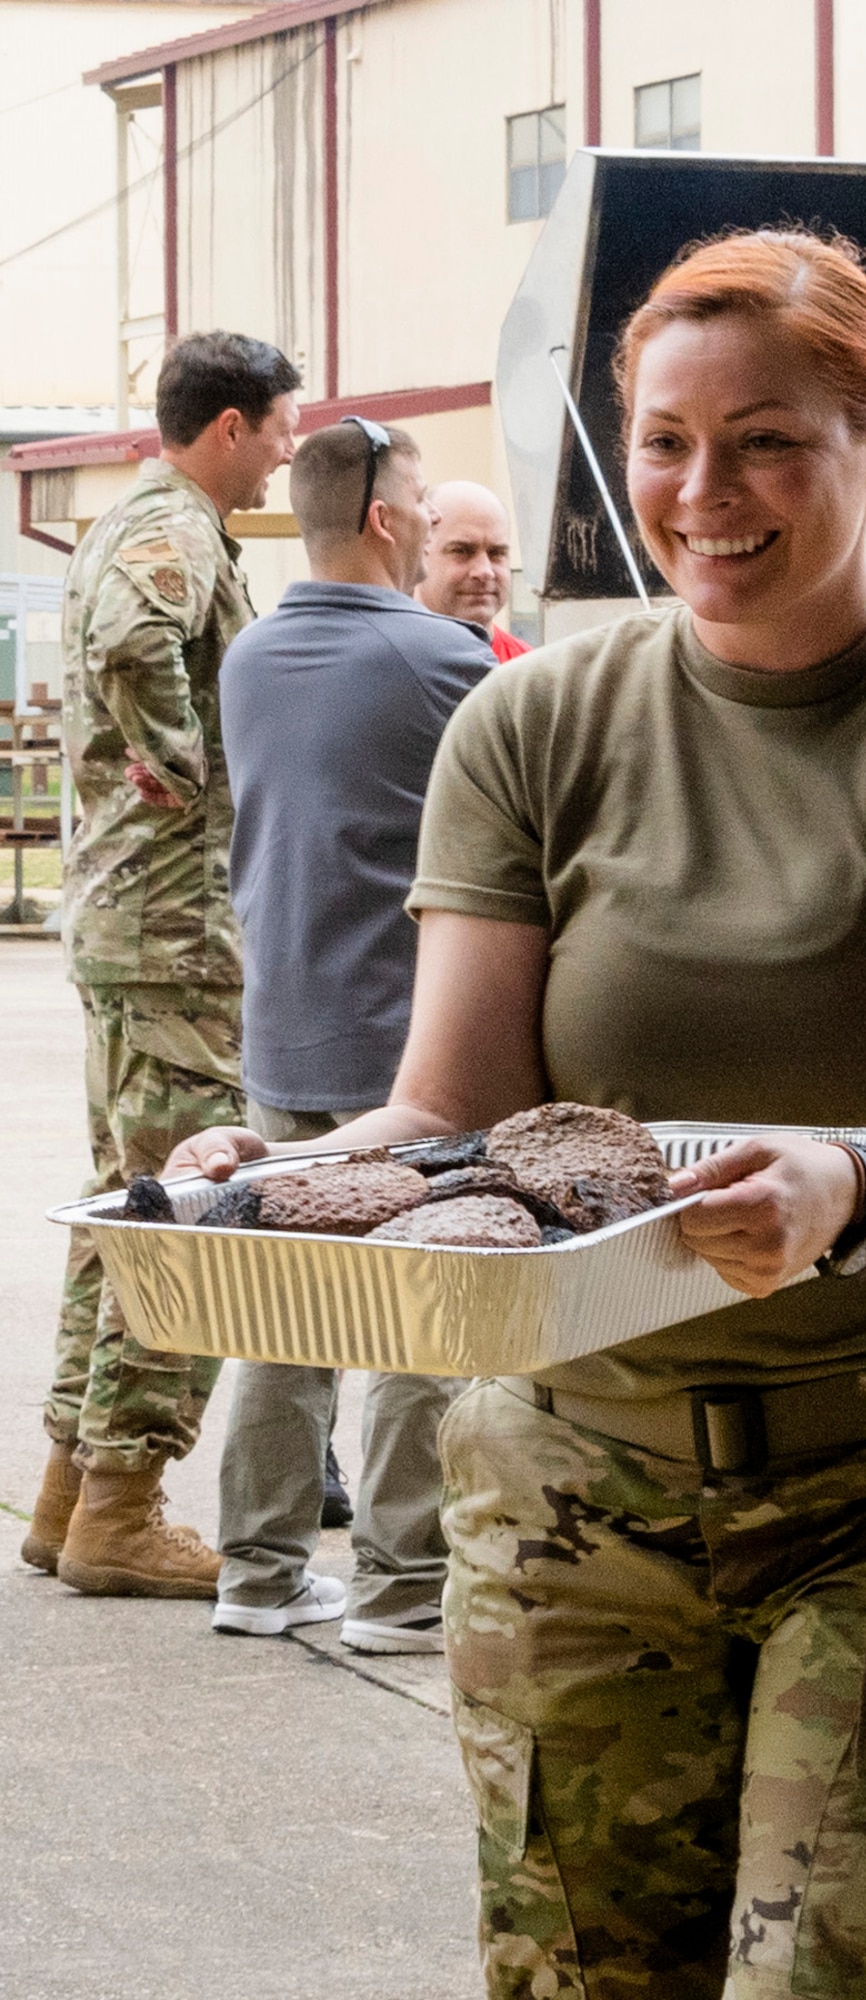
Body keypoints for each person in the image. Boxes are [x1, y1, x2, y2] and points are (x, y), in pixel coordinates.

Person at [170, 228, 866, 1999]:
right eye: (666, 441)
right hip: (575, 1502)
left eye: (767, 437)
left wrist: (837, 1187)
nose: (705, 492)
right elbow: (451, 1110)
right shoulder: (533, 723)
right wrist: (277, 1177)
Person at [22, 331, 300, 1599]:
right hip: (176, 931)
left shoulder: (142, 518)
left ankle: (75, 1489)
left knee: (123, 1202)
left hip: (136, 928)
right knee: (186, 1209)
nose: (290, 449)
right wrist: (184, 772)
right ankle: (126, 1504)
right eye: (282, 426)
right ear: (231, 426)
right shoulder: (174, 530)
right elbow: (141, 641)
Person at [210, 419, 494, 1649]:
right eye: (427, 506)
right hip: (406, 1054)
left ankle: (259, 1574)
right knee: (418, 1316)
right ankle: (399, 1586)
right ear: (385, 519)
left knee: (284, 1317)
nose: (437, 528)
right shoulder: (448, 662)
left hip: (280, 1034)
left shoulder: (248, 656)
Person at [415, 479, 531, 658]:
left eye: (497, 553)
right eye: (462, 551)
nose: (485, 571)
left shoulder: (527, 672)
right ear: (419, 552)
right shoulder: (386, 663)